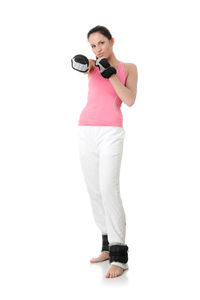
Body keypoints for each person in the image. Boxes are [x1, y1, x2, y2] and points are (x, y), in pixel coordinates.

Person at [71, 25, 138, 278]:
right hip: (86, 130)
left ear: (111, 41)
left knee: (109, 188)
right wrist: (82, 62)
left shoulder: (128, 68)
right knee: (95, 190)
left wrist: (111, 75)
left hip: (111, 132)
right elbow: (80, 64)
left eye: (101, 43)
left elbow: (129, 100)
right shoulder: (92, 64)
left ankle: (120, 258)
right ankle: (107, 247)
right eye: (93, 45)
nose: (97, 48)